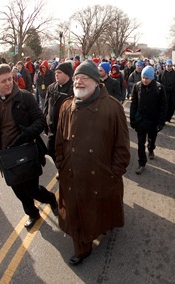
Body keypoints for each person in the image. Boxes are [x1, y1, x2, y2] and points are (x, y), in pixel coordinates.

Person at [55, 60, 130, 266]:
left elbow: (122, 148)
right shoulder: (66, 106)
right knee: (78, 214)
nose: (79, 82)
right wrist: (61, 162)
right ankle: (82, 248)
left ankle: (102, 226)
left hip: (101, 175)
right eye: (77, 78)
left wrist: (114, 173)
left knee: (101, 210)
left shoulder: (112, 108)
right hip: (72, 174)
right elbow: (59, 139)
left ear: (96, 82)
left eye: (85, 78)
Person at [0, 63, 58, 229]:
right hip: (7, 158)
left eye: (10, 79)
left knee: (32, 190)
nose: (9, 83)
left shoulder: (25, 97)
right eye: (4, 81)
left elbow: (40, 120)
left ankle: (51, 199)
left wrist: (28, 133)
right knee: (19, 192)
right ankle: (32, 213)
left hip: (26, 152)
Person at [130, 66, 167, 175]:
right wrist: (132, 119)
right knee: (140, 143)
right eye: (143, 78)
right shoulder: (137, 87)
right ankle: (141, 163)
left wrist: (161, 122)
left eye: (147, 78)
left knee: (151, 139)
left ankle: (151, 149)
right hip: (140, 120)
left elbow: (163, 106)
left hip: (153, 121)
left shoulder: (159, 88)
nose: (145, 80)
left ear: (152, 78)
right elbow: (133, 104)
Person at [44, 62, 74, 162]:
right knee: (51, 151)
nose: (56, 74)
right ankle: (60, 168)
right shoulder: (51, 88)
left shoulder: (73, 89)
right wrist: (45, 121)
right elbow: (46, 106)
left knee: (66, 154)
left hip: (66, 130)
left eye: (59, 72)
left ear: (67, 74)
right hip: (52, 128)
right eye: (56, 72)